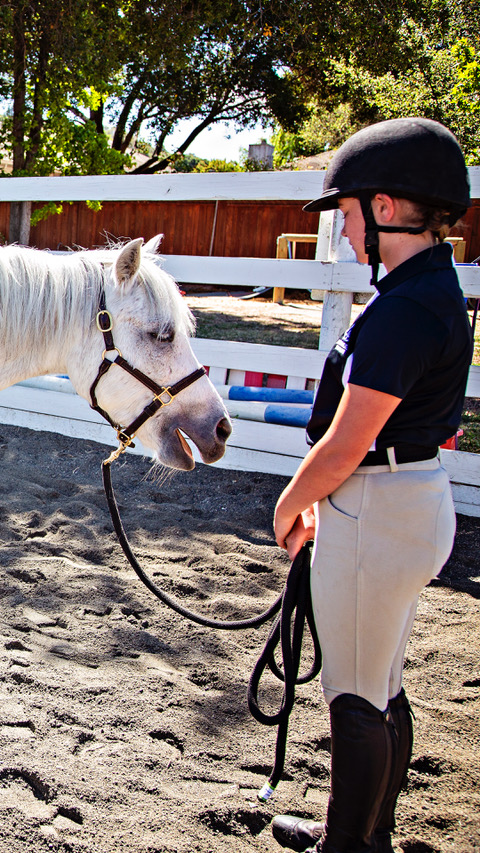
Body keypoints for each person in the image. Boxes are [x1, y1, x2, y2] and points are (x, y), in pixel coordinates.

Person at [270, 118, 472, 853]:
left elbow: (348, 439)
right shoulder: (430, 290)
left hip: (377, 508)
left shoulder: (403, 309)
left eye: (350, 214)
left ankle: (347, 847)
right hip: (407, 500)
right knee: (382, 683)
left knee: (354, 696)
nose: (347, 232)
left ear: (386, 208)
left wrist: (293, 502)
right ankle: (366, 832)